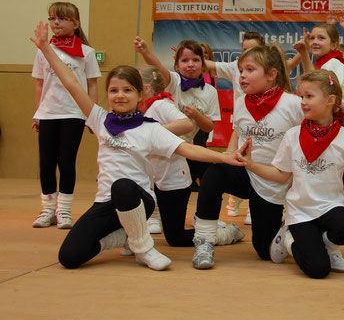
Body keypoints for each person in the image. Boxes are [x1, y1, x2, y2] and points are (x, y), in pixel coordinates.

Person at [30, 21, 244, 271]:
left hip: (139, 201)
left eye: (127, 90)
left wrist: (224, 157)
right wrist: (46, 49)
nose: (120, 95)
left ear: (140, 95)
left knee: (123, 186)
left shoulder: (150, 128)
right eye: (114, 90)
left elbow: (189, 149)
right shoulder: (100, 119)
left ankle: (143, 247)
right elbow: (72, 84)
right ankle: (126, 237)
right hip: (106, 202)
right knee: (69, 256)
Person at [237, 70, 344, 278]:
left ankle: (327, 244)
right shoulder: (292, 135)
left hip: (330, 207)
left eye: (309, 96)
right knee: (318, 269)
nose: (303, 102)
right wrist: (250, 164)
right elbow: (281, 175)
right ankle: (289, 239)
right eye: (301, 96)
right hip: (300, 213)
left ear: (330, 100)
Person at [191, 44, 304, 270]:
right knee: (214, 173)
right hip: (246, 174)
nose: (242, 75)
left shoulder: (292, 104)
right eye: (241, 70)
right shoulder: (242, 101)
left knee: (265, 251)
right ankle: (204, 241)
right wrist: (230, 154)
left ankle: (237, 232)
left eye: (250, 70)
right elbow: (238, 131)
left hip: (273, 182)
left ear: (271, 75)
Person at [139, 67, 244, 248]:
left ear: (146, 88)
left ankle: (225, 234)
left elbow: (187, 124)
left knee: (176, 238)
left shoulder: (160, 105)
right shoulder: (143, 108)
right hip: (157, 179)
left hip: (174, 181)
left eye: (131, 86)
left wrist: (153, 133)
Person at [134, 37, 221, 234]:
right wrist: (145, 51)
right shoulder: (173, 81)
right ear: (176, 65)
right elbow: (157, 66)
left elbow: (208, 127)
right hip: (164, 146)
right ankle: (154, 215)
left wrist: (196, 115)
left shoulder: (210, 92)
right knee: (151, 175)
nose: (190, 64)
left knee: (209, 178)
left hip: (187, 147)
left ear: (203, 63)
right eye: (185, 60)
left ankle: (203, 217)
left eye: (196, 60)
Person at [294, 22, 344, 232]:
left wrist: (303, 53)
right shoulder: (330, 64)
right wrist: (304, 54)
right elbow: (313, 82)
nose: (315, 41)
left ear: (334, 44)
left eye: (321, 38)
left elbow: (314, 84)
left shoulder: (332, 64)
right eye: (312, 37)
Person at [31, 2, 101, 229]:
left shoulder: (87, 52)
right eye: (52, 18)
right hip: (48, 113)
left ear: (76, 23)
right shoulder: (43, 50)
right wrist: (37, 113)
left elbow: (92, 85)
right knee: (46, 163)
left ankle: (64, 210)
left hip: (74, 113)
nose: (56, 23)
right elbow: (40, 84)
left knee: (66, 161)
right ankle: (47, 209)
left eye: (61, 18)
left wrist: (92, 114)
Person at [203, 31, 266, 225]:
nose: (244, 76)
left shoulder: (271, 77)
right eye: (244, 49)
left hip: (263, 127)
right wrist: (190, 57)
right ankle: (233, 203)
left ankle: (255, 207)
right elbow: (209, 64)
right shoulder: (234, 67)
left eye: (253, 49)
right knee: (236, 161)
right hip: (242, 125)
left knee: (258, 162)